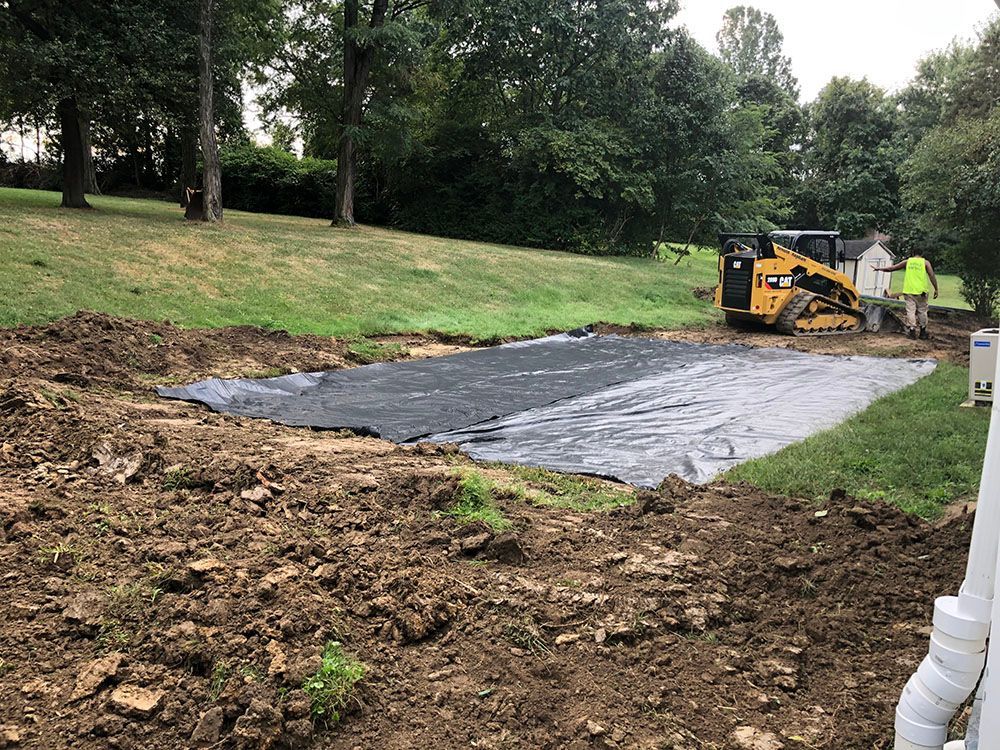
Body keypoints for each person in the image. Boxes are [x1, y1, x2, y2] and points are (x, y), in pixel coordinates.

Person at [871, 254, 939, 339]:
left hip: (909, 291)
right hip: (922, 292)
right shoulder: (925, 263)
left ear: (913, 253)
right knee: (922, 311)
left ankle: (912, 331)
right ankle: (923, 332)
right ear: (922, 254)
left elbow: (892, 268)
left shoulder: (907, 262)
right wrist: (936, 289)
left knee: (910, 311)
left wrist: (879, 269)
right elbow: (931, 275)